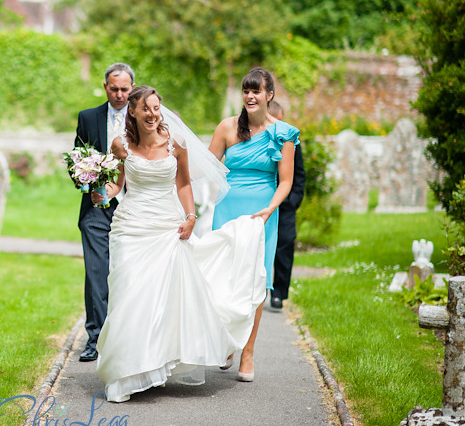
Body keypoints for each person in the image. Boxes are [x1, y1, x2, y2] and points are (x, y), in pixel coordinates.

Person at [93, 86, 267, 402]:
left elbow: (184, 183)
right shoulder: (121, 145)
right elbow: (117, 184)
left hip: (167, 227)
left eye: (156, 108)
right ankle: (126, 371)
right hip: (130, 228)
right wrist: (99, 190)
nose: (152, 114)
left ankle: (153, 364)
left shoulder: (176, 143)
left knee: (160, 298)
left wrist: (190, 216)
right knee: (130, 293)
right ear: (132, 111)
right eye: (146, 109)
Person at [209, 67, 299, 382]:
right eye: (246, 91)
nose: (250, 96)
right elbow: (208, 170)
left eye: (256, 91)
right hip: (226, 209)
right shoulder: (227, 128)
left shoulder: (284, 133)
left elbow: (285, 181)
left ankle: (248, 351)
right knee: (223, 277)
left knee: (255, 280)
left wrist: (269, 210)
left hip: (262, 213)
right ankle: (226, 341)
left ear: (269, 95)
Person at [73, 63, 135, 362]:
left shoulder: (146, 116)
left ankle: (128, 336)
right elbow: (77, 160)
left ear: (132, 88)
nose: (120, 94)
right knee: (97, 273)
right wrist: (87, 180)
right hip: (97, 207)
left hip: (136, 206)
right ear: (105, 87)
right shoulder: (88, 118)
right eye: (114, 89)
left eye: (125, 89)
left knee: (133, 273)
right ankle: (95, 338)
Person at [267, 100, 306, 311]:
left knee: (285, 244)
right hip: (263, 201)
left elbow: (299, 173)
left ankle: (279, 293)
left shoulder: (292, 141)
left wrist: (294, 199)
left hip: (287, 204)